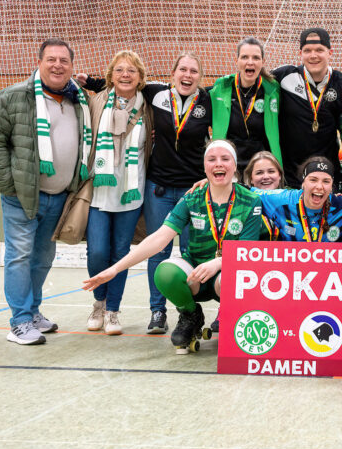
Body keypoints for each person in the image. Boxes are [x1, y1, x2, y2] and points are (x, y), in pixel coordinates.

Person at [83, 140, 262, 353]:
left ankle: (233, 315)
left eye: (225, 159)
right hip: (196, 272)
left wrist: (217, 263)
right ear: (204, 166)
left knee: (233, 278)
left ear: (235, 165)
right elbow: (159, 238)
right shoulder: (192, 197)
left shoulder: (250, 200)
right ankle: (190, 314)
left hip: (226, 274)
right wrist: (115, 269)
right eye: (211, 159)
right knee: (165, 272)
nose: (218, 164)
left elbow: (245, 251)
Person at [81, 52, 212, 334]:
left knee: (190, 253)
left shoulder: (208, 100)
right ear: (172, 74)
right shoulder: (155, 93)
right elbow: (123, 85)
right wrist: (89, 81)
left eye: (193, 71)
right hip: (158, 187)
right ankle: (157, 312)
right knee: (158, 251)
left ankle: (188, 312)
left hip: (193, 191)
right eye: (182, 70)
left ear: (200, 77)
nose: (187, 75)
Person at [0, 39, 90, 344]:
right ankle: (19, 321)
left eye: (64, 61)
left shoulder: (77, 99)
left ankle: (33, 312)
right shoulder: (13, 96)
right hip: (22, 197)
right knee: (19, 256)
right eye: (51, 59)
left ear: (72, 66)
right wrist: (10, 185)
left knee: (42, 258)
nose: (57, 65)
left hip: (60, 197)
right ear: (39, 62)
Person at [84, 50, 153, 335]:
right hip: (99, 190)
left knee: (121, 253)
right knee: (97, 251)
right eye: (120, 70)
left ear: (140, 77)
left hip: (131, 191)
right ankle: (99, 302)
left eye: (132, 70)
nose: (126, 75)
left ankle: (112, 310)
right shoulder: (95, 102)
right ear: (111, 76)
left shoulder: (149, 107)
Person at [271, 28, 342, 187]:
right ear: (300, 53)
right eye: (307, 50)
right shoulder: (284, 76)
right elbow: (252, 81)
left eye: (319, 50)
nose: (313, 55)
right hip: (288, 177)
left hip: (325, 178)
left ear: (330, 53)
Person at [207, 37, 282, 171]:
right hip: (229, 167)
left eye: (256, 58)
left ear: (263, 62)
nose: (250, 62)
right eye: (244, 57)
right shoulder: (221, 87)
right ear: (237, 61)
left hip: (261, 168)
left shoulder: (272, 90)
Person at [254, 157, 342, 242]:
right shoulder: (282, 200)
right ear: (303, 183)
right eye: (313, 180)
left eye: (326, 181)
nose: (319, 186)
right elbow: (247, 192)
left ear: (331, 187)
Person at [243, 151, 286, 241]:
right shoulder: (242, 203)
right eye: (259, 173)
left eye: (271, 171)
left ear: (279, 175)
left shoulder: (292, 201)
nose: (266, 177)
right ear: (251, 178)